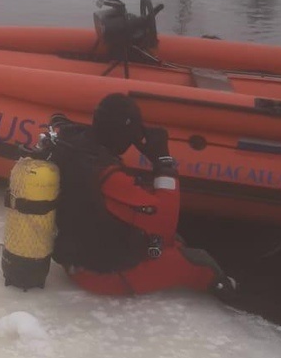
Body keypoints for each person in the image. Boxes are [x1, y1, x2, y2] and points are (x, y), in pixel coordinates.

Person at [48, 93, 233, 297]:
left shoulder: (74, 145)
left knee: (172, 242)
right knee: (197, 261)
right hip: (99, 275)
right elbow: (165, 224)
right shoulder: (108, 175)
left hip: (74, 255)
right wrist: (163, 162)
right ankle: (229, 292)